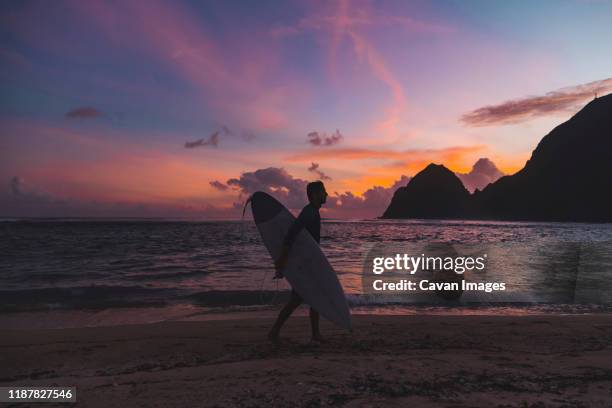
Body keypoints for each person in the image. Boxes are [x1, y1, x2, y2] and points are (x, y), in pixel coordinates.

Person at [268, 180, 328, 344]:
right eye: (323, 191)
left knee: (314, 297)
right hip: (306, 265)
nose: (327, 194)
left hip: (309, 263)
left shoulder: (312, 212)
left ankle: (315, 333)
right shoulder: (309, 212)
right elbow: (291, 234)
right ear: (315, 194)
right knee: (297, 300)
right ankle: (274, 332)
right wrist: (283, 260)